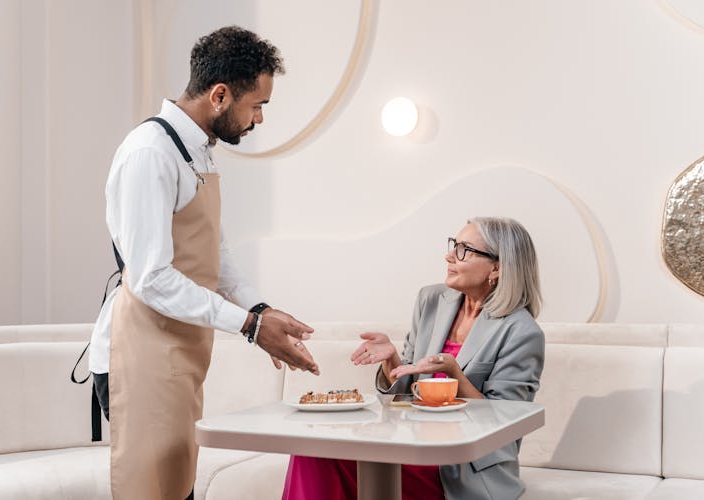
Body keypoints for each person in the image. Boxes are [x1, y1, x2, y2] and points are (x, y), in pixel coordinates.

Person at [87, 26, 319, 500]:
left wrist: (263, 310)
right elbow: (150, 278)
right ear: (219, 95)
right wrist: (251, 326)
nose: (258, 119)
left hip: (176, 349)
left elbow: (217, 253)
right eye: (256, 105)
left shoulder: (195, 151)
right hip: (138, 352)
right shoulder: (150, 153)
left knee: (178, 490)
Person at [282, 217, 544, 500]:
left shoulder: (522, 332)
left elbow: (505, 423)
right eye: (453, 245)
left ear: (497, 267)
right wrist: (393, 360)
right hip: (410, 444)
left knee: (321, 456)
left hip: (462, 468)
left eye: (464, 249)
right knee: (312, 449)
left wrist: (455, 374)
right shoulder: (431, 300)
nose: (449, 255)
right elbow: (407, 395)